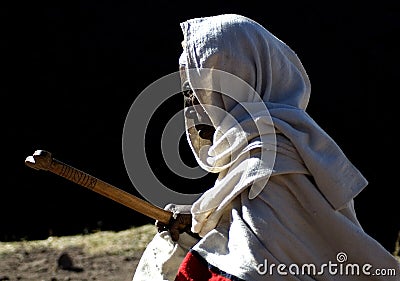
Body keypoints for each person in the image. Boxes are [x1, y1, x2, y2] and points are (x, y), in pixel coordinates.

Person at [132, 14, 400, 281]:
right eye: (189, 94)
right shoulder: (257, 145)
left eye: (201, 91)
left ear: (238, 79)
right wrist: (198, 220)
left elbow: (256, 264)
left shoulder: (274, 154)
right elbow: (248, 228)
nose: (193, 107)